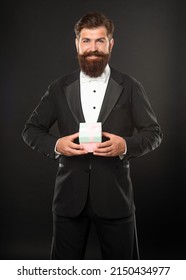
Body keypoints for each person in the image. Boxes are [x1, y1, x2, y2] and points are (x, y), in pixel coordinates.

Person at [22, 12, 163, 260]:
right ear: (76, 43)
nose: (93, 48)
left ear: (111, 43)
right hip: (68, 200)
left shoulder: (130, 86)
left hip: (116, 199)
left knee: (124, 273)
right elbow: (30, 130)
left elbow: (154, 133)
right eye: (86, 41)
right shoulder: (58, 87)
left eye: (100, 40)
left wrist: (125, 145)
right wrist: (56, 144)